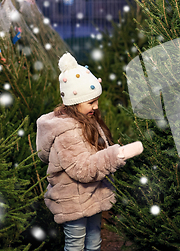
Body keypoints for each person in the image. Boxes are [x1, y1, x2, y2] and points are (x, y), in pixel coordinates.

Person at [36, 52, 144, 251]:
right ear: (75, 102)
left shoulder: (87, 120)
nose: (96, 106)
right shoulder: (67, 132)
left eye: (96, 100)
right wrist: (116, 155)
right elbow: (82, 169)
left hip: (93, 195)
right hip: (73, 201)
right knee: (76, 245)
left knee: (94, 241)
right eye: (91, 102)